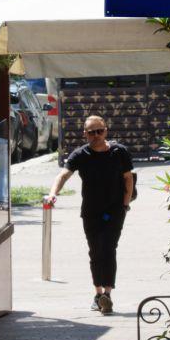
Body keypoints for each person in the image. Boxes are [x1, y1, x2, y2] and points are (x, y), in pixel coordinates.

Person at [44, 115, 135, 314]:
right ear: (85, 134)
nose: (96, 135)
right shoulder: (80, 154)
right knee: (95, 251)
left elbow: (128, 179)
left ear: (106, 131)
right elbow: (63, 175)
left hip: (115, 210)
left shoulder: (119, 152)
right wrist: (53, 194)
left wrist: (125, 205)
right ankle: (98, 293)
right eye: (92, 132)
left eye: (99, 131)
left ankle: (107, 294)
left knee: (109, 248)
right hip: (91, 211)